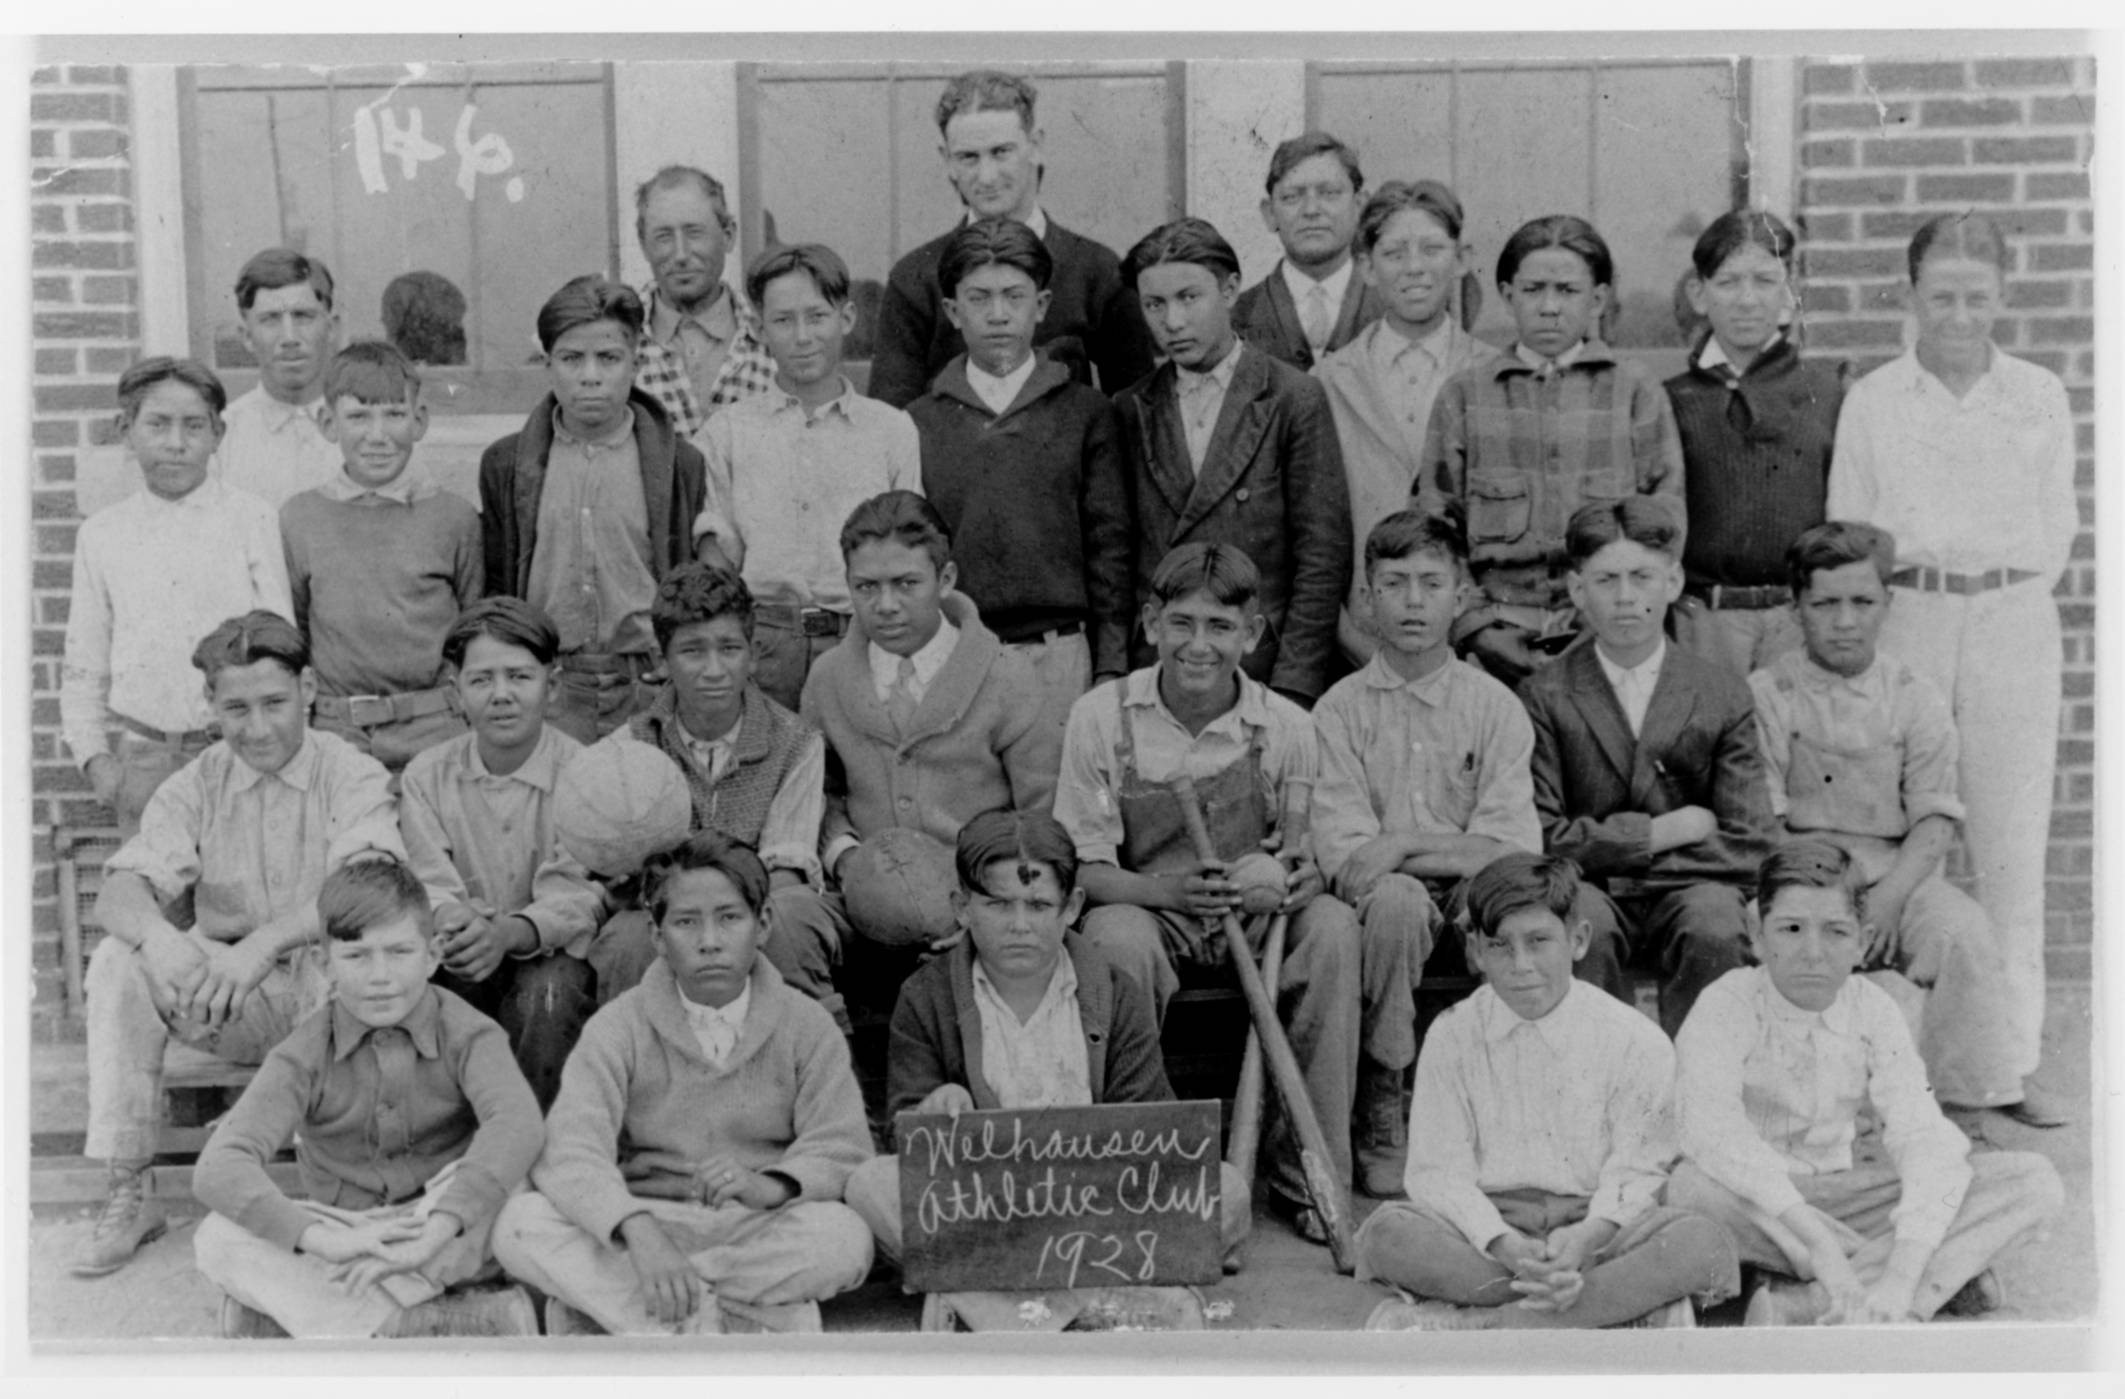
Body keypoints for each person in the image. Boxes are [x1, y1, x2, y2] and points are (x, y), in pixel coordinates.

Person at [1826, 212, 2077, 1121]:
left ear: (2002, 296)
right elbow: (1850, 526)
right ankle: (1906, 1067)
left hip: (2011, 618)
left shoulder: (2038, 395)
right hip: (1913, 617)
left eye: (1978, 296)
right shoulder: (1876, 399)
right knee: (1903, 837)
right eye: (1942, 296)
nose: (1960, 314)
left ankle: (2007, 1063)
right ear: (1910, 297)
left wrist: (1994, 589)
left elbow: (2057, 529)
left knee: (2011, 845)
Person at [1054, 542, 1368, 1242]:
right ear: (1149, 623)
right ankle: (1133, 1174)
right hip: (1149, 905)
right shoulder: (1102, 717)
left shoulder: (1287, 727)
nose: (1199, 645)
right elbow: (1084, 868)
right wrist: (1169, 891)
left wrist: (1295, 877)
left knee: (1334, 929)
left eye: (1221, 627)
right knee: (1108, 940)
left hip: (1257, 920)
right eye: (1182, 623)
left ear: (1251, 634)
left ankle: (1310, 1175)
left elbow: (1312, 860)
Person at [75, 610, 403, 1278]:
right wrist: (160, 938)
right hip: (227, 997)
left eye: (275, 703)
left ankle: (337, 1189)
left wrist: (265, 943)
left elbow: (367, 885)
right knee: (118, 960)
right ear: (210, 705)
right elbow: (118, 893)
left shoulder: (351, 771)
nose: (257, 728)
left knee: (356, 957)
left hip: (324, 994)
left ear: (308, 688)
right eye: (236, 708)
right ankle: (129, 1187)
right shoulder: (197, 780)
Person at [843, 809, 1252, 1326]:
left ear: (1071, 907)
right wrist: (932, 1109)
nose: (1020, 925)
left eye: (1039, 905)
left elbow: (1153, 1126)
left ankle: (987, 1303)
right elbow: (907, 1127)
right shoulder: (927, 997)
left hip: (1095, 1204)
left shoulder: (1113, 992)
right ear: (961, 907)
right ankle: (1094, 1303)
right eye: (997, 904)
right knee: (869, 1184)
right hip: (984, 1206)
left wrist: (1114, 1174)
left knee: (1227, 1187)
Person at [1311, 509, 1598, 1194]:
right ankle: (1384, 1099)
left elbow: (1509, 849)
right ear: (1367, 598)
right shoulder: (1338, 710)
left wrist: (1403, 840)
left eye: (1431, 582)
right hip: (1385, 910)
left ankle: (1514, 1110)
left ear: (1461, 595)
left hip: (1474, 896)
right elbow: (1348, 858)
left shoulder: (1494, 705)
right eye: (1394, 582)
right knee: (1395, 900)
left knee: (1517, 907)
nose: (1413, 600)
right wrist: (1409, 856)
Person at [491, 835, 875, 1336]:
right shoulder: (618, 1026)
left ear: (762, 925)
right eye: (686, 922)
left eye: (729, 918)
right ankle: (724, 1319)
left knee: (846, 1239)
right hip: (646, 1223)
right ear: (656, 934)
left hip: (751, 1228)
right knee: (518, 1223)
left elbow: (842, 1147)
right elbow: (571, 1149)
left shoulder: (806, 1025)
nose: (709, 940)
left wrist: (769, 1184)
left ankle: (646, 1312)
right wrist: (634, 1227)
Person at [1668, 841, 2064, 1326]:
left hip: (1845, 1195)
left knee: (2032, 1182)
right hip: (1759, 1205)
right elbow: (1712, 1133)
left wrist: (1902, 1271)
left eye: (1836, 932)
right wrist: (1818, 1245)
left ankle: (1816, 1301)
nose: (1812, 952)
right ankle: (1940, 1283)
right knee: (1690, 1188)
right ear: (1756, 933)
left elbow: (1921, 1134)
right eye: (1790, 929)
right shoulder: (1726, 1004)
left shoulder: (1873, 1009)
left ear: (1862, 940)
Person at [1749, 521, 2062, 1129]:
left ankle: (1967, 1108)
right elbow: (1764, 817)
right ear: (1797, 608)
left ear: (1888, 605)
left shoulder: (1913, 696)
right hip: (1797, 875)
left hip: (1893, 876)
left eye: (1862, 603)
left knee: (1961, 930)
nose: (1845, 621)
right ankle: (1792, 1112)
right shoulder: (1770, 692)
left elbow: (1935, 819)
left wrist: (1889, 899)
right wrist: (1832, 903)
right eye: (1826, 604)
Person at [1355, 853, 1737, 1331]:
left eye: (1539, 942)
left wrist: (1585, 1240)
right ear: (1474, 950)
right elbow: (1438, 1173)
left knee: (1702, 1244)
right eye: (1500, 946)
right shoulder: (1453, 1035)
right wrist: (1505, 1245)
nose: (1521, 966)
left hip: (1598, 1228)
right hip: (1489, 1231)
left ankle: (1486, 1327)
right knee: (1387, 1235)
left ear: (1577, 940)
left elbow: (1637, 1170)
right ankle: (1604, 1310)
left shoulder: (1634, 1038)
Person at [191, 857, 544, 1339]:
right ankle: (418, 1321)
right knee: (216, 1239)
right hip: (349, 1230)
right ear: (324, 963)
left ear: (433, 955)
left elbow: (518, 1123)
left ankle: (315, 1316)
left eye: (399, 952)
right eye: (356, 956)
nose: (380, 975)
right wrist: (328, 1242)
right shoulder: (303, 1053)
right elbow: (218, 1167)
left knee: (517, 1192)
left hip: (438, 1223)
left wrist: (436, 1230)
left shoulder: (470, 1033)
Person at [1518, 497, 1773, 1036]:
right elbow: (1539, 837)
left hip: (1689, 889)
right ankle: (1591, 1098)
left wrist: (1622, 861)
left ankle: (1704, 1091)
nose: (1627, 598)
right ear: (1575, 589)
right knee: (1579, 924)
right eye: (1606, 579)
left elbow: (1751, 843)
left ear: (1675, 581)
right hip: (1590, 891)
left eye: (1643, 576)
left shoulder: (1720, 692)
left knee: (1715, 923)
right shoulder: (1545, 694)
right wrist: (1658, 833)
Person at [798, 491, 1060, 1001]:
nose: (886, 605)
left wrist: (992, 903)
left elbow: (1041, 814)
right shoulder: (827, 678)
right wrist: (847, 858)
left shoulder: (1007, 676)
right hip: (858, 899)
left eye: (906, 584)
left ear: (945, 580)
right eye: (866, 587)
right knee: (789, 921)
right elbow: (816, 792)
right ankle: (827, 1069)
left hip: (981, 904)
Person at [1418, 214, 1686, 686]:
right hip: (1495, 641)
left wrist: (1609, 617)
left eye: (1567, 291)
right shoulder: (1464, 396)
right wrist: (1476, 627)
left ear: (1598, 299)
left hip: (1608, 637)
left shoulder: (1634, 392)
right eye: (1533, 290)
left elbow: (1664, 523)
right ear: (1507, 295)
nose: (1548, 307)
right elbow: (1435, 528)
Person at [908, 216, 1135, 734]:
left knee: (1057, 806)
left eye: (1014, 296)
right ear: (952, 310)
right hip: (957, 652)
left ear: (1043, 305)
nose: (998, 315)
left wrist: (1111, 665)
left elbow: (1111, 549)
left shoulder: (1085, 413)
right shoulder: (921, 420)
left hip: (1059, 653)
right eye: (979, 298)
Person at [1113, 217, 1352, 706]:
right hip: (1161, 672)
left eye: (1189, 297)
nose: (1172, 323)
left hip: (1261, 671)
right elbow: (1117, 559)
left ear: (1230, 290)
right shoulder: (1130, 408)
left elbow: (1322, 557)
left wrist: (1294, 687)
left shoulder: (1292, 398)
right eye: (1154, 304)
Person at [607, 562, 846, 1029]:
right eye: (692, 651)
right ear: (662, 660)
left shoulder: (795, 742)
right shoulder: (631, 745)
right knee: (626, 941)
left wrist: (724, 921)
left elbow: (786, 871)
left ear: (752, 654)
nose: (714, 669)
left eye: (730, 649)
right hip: (666, 910)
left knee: (791, 922)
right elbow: (625, 875)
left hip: (758, 906)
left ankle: (812, 1072)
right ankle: (642, 1074)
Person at [62, 357, 293, 836]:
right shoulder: (103, 535)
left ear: (217, 435)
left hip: (240, 752)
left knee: (248, 901)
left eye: (193, 426)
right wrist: (97, 761)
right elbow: (83, 662)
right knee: (155, 903)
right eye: (157, 425)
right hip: (144, 759)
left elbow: (283, 650)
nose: (175, 443)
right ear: (127, 430)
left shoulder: (252, 520)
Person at [692, 243, 922, 712]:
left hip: (862, 640)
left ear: (848, 318)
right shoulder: (726, 433)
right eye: (783, 320)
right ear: (757, 328)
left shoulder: (891, 429)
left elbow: (909, 553)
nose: (802, 336)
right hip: (764, 644)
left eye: (817, 316)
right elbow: (715, 564)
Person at [479, 275, 705, 743]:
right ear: (548, 364)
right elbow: (499, 588)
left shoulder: (679, 463)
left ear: (635, 362)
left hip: (646, 682)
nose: (590, 376)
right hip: (550, 685)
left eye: (608, 358)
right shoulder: (507, 463)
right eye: (571, 358)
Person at [398, 598, 604, 1109]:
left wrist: (508, 933)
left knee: (547, 997)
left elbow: (577, 893)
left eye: (519, 677)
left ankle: (537, 1140)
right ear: (455, 694)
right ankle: (454, 1143)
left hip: (551, 953)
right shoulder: (427, 775)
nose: (502, 696)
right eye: (482, 680)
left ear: (552, 688)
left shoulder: (583, 772)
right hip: (461, 948)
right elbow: (428, 879)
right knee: (435, 992)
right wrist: (458, 921)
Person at [867, 69, 1154, 407]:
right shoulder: (914, 278)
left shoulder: (1098, 270)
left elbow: (1135, 411)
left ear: (1035, 145)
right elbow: (891, 418)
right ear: (947, 160)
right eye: (968, 157)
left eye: (1001, 152)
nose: (986, 176)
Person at [1315, 181, 1497, 667]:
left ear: (1461, 259)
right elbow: (1311, 530)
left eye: (1432, 249)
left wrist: (1483, 636)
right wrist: (1351, 639)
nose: (1415, 267)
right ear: (1368, 268)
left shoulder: (1496, 377)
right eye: (1394, 252)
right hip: (1362, 642)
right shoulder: (1330, 382)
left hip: (1478, 646)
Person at [1666, 210, 1848, 677]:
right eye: (1728, 282)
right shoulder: (1672, 399)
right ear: (1698, 294)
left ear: (1789, 294)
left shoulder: (1826, 392)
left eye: (1765, 281)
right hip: (1703, 620)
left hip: (1796, 619)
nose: (1747, 300)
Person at [283, 340, 478, 772]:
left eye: (394, 414)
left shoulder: (454, 517)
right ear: (328, 423)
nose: (377, 435)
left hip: (436, 728)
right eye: (358, 417)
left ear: (419, 421)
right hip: (338, 733)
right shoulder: (299, 519)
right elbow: (296, 631)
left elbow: (473, 632)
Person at [629, 165, 778, 437]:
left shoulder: (772, 337)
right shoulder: (617, 340)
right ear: (643, 244)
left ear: (728, 235)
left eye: (694, 233)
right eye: (663, 237)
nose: (681, 254)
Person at [1232, 131, 1383, 372]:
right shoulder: (1237, 317)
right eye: (1292, 197)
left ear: (1359, 206)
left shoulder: (1392, 306)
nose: (1311, 209)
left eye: (1330, 193)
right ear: (1270, 214)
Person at [214, 247, 345, 507]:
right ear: (247, 337)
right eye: (270, 319)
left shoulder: (368, 428)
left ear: (331, 328)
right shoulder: (222, 437)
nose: (289, 338)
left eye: (303, 316)